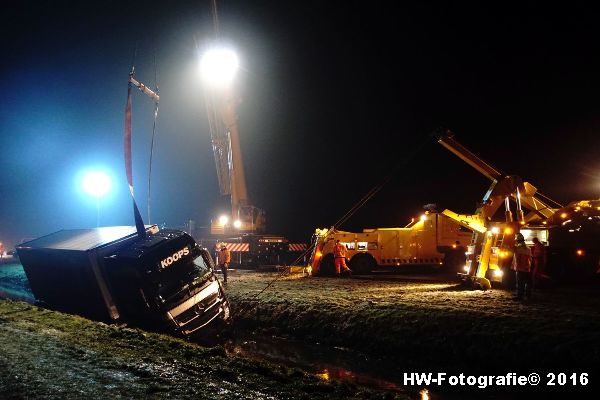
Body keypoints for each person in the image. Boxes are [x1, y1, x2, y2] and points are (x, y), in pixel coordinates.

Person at [512, 233, 532, 300]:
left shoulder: (517, 248)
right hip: (527, 268)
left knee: (520, 283)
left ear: (517, 240)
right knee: (527, 282)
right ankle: (527, 295)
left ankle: (520, 296)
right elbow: (530, 259)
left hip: (520, 268)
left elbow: (518, 260)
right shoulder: (528, 248)